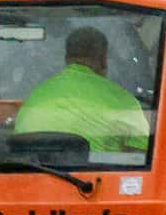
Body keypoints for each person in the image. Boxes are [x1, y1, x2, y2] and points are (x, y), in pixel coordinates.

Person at [11, 26, 149, 157]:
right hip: (97, 181)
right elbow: (140, 158)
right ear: (104, 59)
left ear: (67, 57)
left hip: (30, 180)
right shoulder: (124, 102)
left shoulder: (35, 98)